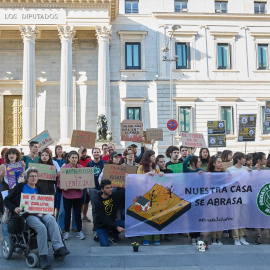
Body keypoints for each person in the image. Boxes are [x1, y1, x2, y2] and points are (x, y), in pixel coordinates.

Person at [4, 167, 70, 269]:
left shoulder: (39, 189)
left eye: (35, 176)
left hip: (40, 213)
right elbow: (7, 200)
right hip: (27, 215)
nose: (34, 178)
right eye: (31, 176)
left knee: (51, 219)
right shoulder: (20, 187)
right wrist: (15, 208)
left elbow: (45, 203)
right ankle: (43, 256)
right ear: (26, 178)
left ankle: (58, 247)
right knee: (41, 227)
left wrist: (48, 209)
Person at [137, 150, 164, 246]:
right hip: (143, 194)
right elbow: (137, 179)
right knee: (145, 216)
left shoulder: (156, 167)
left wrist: (161, 175)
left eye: (154, 155)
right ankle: (145, 238)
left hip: (155, 194)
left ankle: (156, 238)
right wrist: (147, 175)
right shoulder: (140, 168)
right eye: (152, 156)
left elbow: (160, 181)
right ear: (148, 157)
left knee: (156, 216)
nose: (154, 157)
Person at [59, 151, 85, 240]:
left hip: (78, 195)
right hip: (67, 195)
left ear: (78, 159)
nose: (74, 159)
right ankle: (66, 232)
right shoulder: (64, 168)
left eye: (75, 157)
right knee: (67, 214)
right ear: (69, 158)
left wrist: (83, 186)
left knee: (77, 213)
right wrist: (62, 187)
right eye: (72, 157)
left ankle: (79, 231)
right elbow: (59, 181)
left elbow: (85, 180)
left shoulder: (81, 168)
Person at [226, 152, 250, 245]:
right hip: (234, 197)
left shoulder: (246, 169)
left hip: (245, 197)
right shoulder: (230, 170)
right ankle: (236, 238)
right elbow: (227, 183)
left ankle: (242, 236)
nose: (245, 160)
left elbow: (251, 180)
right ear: (238, 159)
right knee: (235, 218)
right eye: (243, 158)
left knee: (243, 218)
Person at [0, 148, 23, 237]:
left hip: (17, 193)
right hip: (6, 193)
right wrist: (1, 175)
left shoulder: (20, 165)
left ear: (17, 156)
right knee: (6, 216)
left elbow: (22, 180)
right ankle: (6, 237)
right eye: (9, 154)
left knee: (17, 214)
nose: (11, 155)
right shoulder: (3, 166)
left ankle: (15, 236)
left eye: (13, 153)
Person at [95, 179, 125, 246]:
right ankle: (98, 234)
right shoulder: (97, 201)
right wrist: (117, 227)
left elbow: (124, 192)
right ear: (102, 190)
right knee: (105, 244)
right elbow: (104, 218)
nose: (110, 189)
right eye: (107, 188)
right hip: (101, 226)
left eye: (111, 187)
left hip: (112, 223)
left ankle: (112, 234)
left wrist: (127, 179)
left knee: (126, 223)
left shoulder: (114, 195)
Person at [183, 148, 203, 245]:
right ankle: (192, 237)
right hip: (189, 198)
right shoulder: (187, 171)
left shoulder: (200, 171)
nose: (200, 163)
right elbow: (184, 163)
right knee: (191, 218)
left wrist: (201, 174)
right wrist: (190, 155)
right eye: (198, 161)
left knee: (198, 217)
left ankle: (198, 235)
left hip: (198, 198)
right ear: (193, 163)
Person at [251, 152, 270, 244]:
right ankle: (258, 236)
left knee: (268, 214)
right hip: (255, 196)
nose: (266, 160)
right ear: (259, 160)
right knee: (257, 217)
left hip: (266, 195)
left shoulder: (267, 169)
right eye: (264, 159)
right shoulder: (252, 170)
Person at [87, 148, 106, 234]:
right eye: (95, 152)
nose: (96, 153)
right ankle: (95, 224)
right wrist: (88, 189)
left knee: (103, 208)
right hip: (93, 189)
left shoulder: (104, 163)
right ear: (92, 154)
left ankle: (103, 223)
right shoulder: (89, 164)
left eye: (98, 152)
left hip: (102, 189)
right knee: (94, 208)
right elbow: (86, 177)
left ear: (100, 153)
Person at [207, 155, 224, 245]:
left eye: (221, 162)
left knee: (221, 218)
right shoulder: (210, 174)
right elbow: (206, 187)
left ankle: (219, 237)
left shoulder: (225, 174)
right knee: (214, 218)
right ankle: (213, 237)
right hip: (213, 200)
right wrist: (208, 178)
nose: (221, 164)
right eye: (218, 162)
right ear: (214, 164)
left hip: (223, 200)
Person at [78, 147, 92, 222]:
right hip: (80, 182)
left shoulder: (89, 160)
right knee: (81, 201)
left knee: (87, 201)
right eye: (82, 153)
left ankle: (84, 215)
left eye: (85, 152)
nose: (84, 154)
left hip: (88, 182)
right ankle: (79, 216)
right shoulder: (78, 160)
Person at [53, 145, 65, 220]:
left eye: (61, 149)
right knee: (55, 199)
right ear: (56, 150)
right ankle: (53, 215)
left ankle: (58, 216)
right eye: (58, 149)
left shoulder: (65, 160)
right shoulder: (53, 160)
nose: (60, 150)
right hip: (54, 182)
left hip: (62, 182)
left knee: (60, 200)